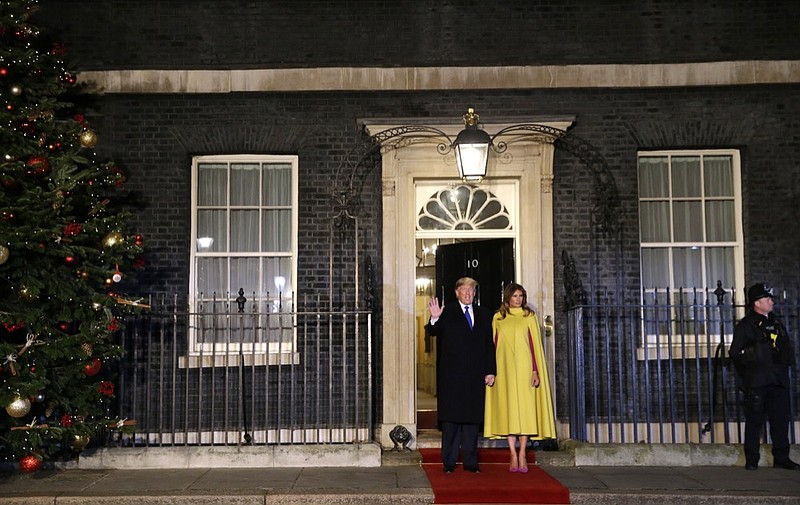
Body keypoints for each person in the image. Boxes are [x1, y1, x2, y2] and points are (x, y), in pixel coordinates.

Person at [484, 283, 556, 473]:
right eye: (515, 296)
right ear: (507, 297)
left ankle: (522, 453)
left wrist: (535, 371)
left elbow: (534, 346)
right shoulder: (498, 318)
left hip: (525, 370)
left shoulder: (528, 316)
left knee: (524, 411)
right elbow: (492, 345)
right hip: (504, 369)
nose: (518, 299)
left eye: (521, 296)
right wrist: (490, 370)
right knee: (509, 410)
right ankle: (512, 454)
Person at [427, 277, 496, 473]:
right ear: (457, 292)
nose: (467, 294)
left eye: (471, 290)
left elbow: (488, 346)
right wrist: (435, 318)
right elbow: (433, 331)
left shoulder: (484, 314)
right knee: (451, 423)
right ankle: (448, 463)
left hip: (475, 376)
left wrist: (490, 370)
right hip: (452, 377)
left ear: (475, 293)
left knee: (471, 422)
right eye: (464, 290)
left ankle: (471, 463)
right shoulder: (447, 311)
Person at [729, 283, 799, 471]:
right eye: (767, 299)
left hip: (778, 379)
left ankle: (782, 457)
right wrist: (748, 372)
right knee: (754, 420)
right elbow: (735, 353)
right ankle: (752, 459)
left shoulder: (777, 322)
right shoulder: (746, 326)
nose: (771, 302)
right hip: (758, 380)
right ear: (757, 303)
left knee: (780, 420)